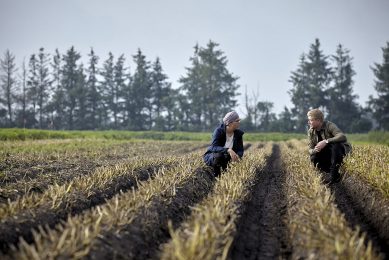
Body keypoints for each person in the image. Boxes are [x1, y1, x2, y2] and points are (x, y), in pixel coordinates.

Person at [307, 108, 352, 183]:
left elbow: (342, 136)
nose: (309, 122)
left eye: (311, 120)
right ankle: (324, 174)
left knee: (336, 145)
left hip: (338, 153)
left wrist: (326, 141)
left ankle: (334, 174)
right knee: (313, 156)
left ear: (318, 120)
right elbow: (310, 148)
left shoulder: (329, 125)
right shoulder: (311, 131)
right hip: (326, 154)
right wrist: (314, 150)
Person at [203, 111, 244, 176]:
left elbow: (240, 150)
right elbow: (213, 147)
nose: (239, 122)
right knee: (219, 157)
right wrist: (228, 150)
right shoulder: (218, 131)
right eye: (237, 121)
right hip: (214, 156)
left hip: (228, 157)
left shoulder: (238, 134)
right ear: (230, 123)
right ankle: (216, 177)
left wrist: (237, 156)